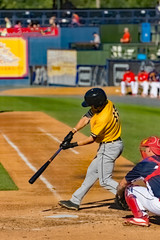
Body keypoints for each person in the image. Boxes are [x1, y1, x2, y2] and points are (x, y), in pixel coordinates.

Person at [58, 88, 123, 210]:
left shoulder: (103, 119)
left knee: (105, 181)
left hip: (109, 147)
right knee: (92, 173)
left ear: (98, 105)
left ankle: (130, 196)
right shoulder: (106, 103)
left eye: (91, 105)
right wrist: (72, 132)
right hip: (110, 145)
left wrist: (72, 145)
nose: (90, 107)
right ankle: (75, 201)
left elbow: (91, 139)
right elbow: (86, 117)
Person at [116, 136, 160, 227]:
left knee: (129, 188)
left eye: (146, 148)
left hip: (158, 205)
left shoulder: (147, 163)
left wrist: (120, 195)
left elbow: (123, 183)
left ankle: (141, 218)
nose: (144, 151)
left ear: (150, 150)